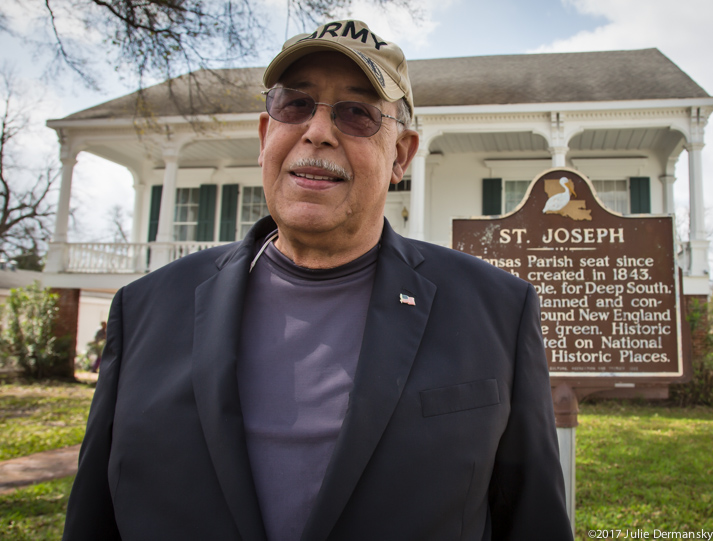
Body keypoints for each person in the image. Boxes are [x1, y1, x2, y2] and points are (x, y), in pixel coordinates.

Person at [62, 20, 572, 541]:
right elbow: (95, 516)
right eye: (295, 104)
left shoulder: (496, 312)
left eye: (356, 113)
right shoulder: (144, 309)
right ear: (265, 136)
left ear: (401, 154)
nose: (318, 131)